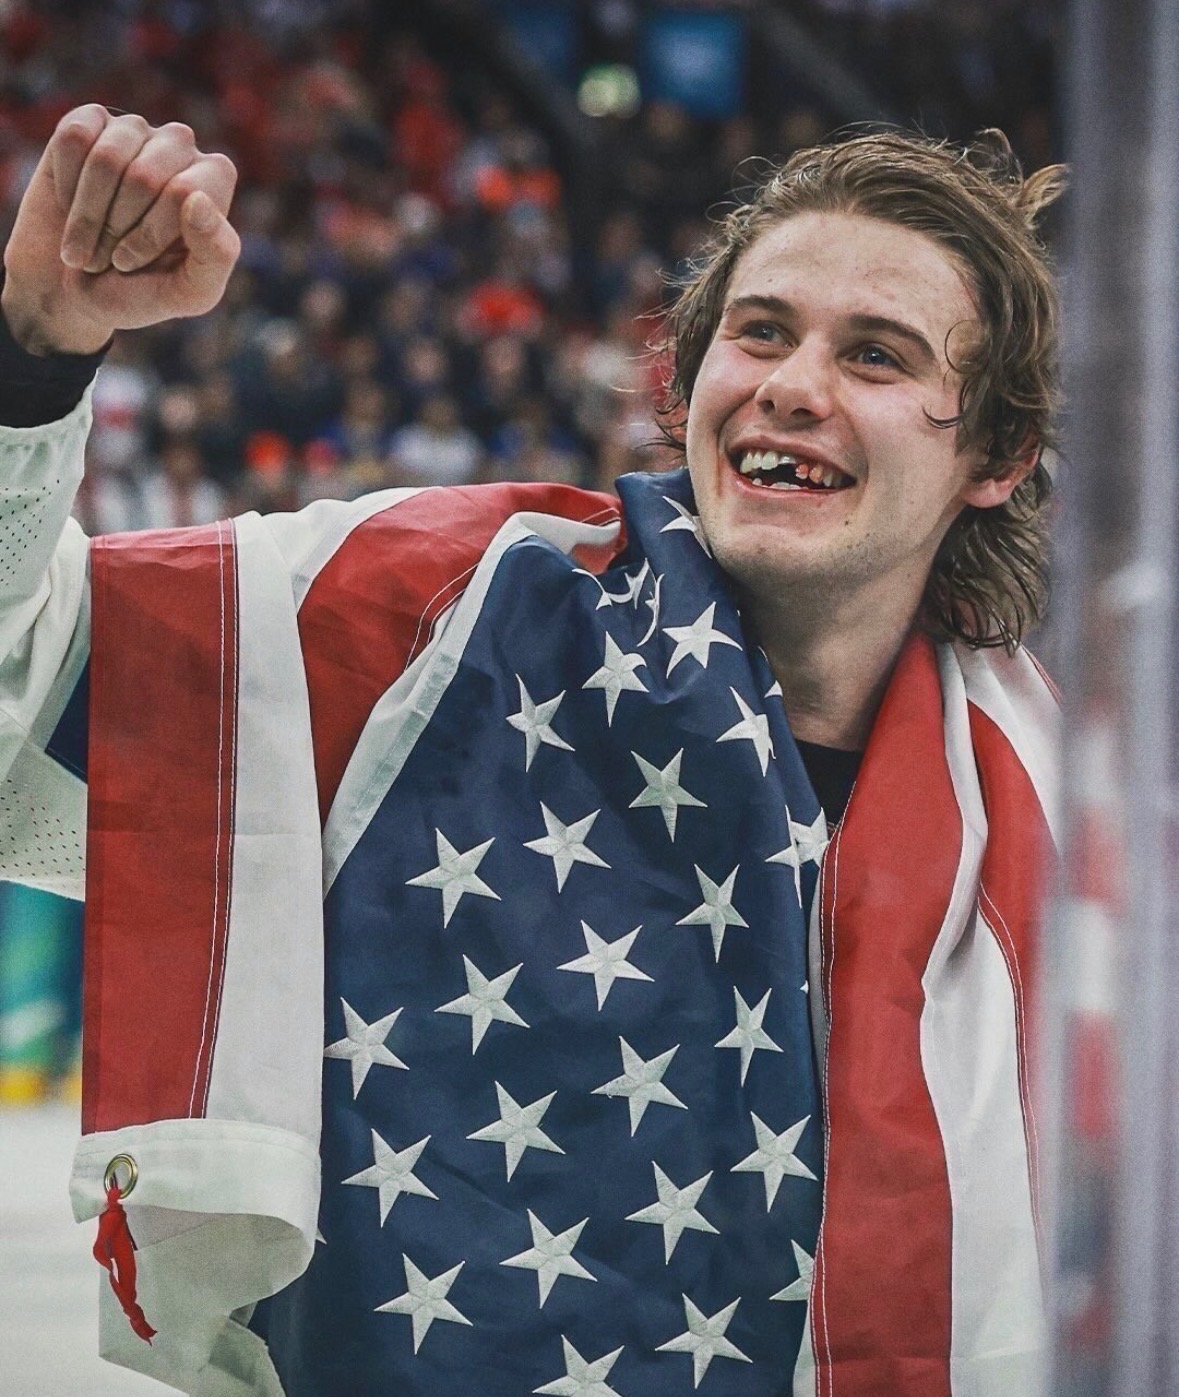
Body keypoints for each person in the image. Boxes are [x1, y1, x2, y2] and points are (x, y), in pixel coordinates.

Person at [0, 105, 1063, 1396]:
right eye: (762, 331)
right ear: (688, 381)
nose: (793, 383)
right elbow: (27, 668)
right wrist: (32, 360)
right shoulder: (438, 608)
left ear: (996, 452)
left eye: (878, 355)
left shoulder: (1055, 803)